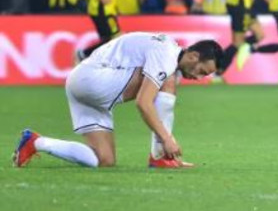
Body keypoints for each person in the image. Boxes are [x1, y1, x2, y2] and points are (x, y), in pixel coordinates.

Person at [13, 33, 223, 169]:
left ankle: (35, 142)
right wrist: (167, 138)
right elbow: (143, 103)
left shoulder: (166, 47)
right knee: (167, 79)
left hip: (80, 83)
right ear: (193, 56)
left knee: (104, 160)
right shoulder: (166, 55)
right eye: (201, 71)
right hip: (93, 79)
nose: (198, 77)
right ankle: (160, 156)